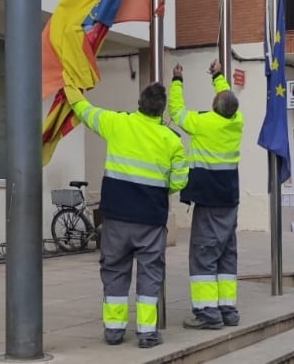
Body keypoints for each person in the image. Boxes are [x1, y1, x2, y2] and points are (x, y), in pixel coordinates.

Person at [64, 82, 188, 349]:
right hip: (151, 221)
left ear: (140, 104)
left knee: (114, 271)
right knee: (150, 275)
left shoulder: (117, 123)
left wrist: (70, 89)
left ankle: (114, 331)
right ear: (161, 110)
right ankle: (147, 333)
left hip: (116, 218)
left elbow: (86, 111)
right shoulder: (172, 141)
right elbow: (179, 182)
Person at [169, 59, 244, 330]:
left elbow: (176, 111)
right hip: (229, 200)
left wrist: (177, 80)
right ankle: (227, 310)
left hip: (209, 201)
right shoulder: (236, 121)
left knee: (204, 254)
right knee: (226, 255)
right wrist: (219, 76)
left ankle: (207, 314)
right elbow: (227, 98)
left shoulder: (202, 122)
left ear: (214, 106)